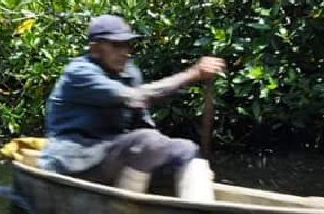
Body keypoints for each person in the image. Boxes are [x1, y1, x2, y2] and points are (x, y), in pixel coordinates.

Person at [38, 14, 225, 201]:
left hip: (109, 153)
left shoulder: (130, 73)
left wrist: (185, 159)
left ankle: (202, 211)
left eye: (126, 45)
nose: (124, 52)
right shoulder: (80, 72)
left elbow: (143, 125)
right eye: (116, 45)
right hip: (72, 159)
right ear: (95, 49)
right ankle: (125, 212)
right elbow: (135, 97)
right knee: (145, 141)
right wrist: (192, 74)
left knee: (185, 149)